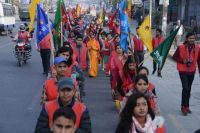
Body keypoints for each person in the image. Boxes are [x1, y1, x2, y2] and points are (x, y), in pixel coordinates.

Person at [173, 32, 200, 116]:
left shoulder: (198, 48)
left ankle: (187, 106)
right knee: (185, 88)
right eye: (190, 38)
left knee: (189, 89)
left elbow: (199, 61)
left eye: (193, 38)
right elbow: (174, 57)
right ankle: (183, 106)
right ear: (187, 39)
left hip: (192, 70)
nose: (192, 39)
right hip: (182, 70)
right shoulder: (180, 47)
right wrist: (182, 61)